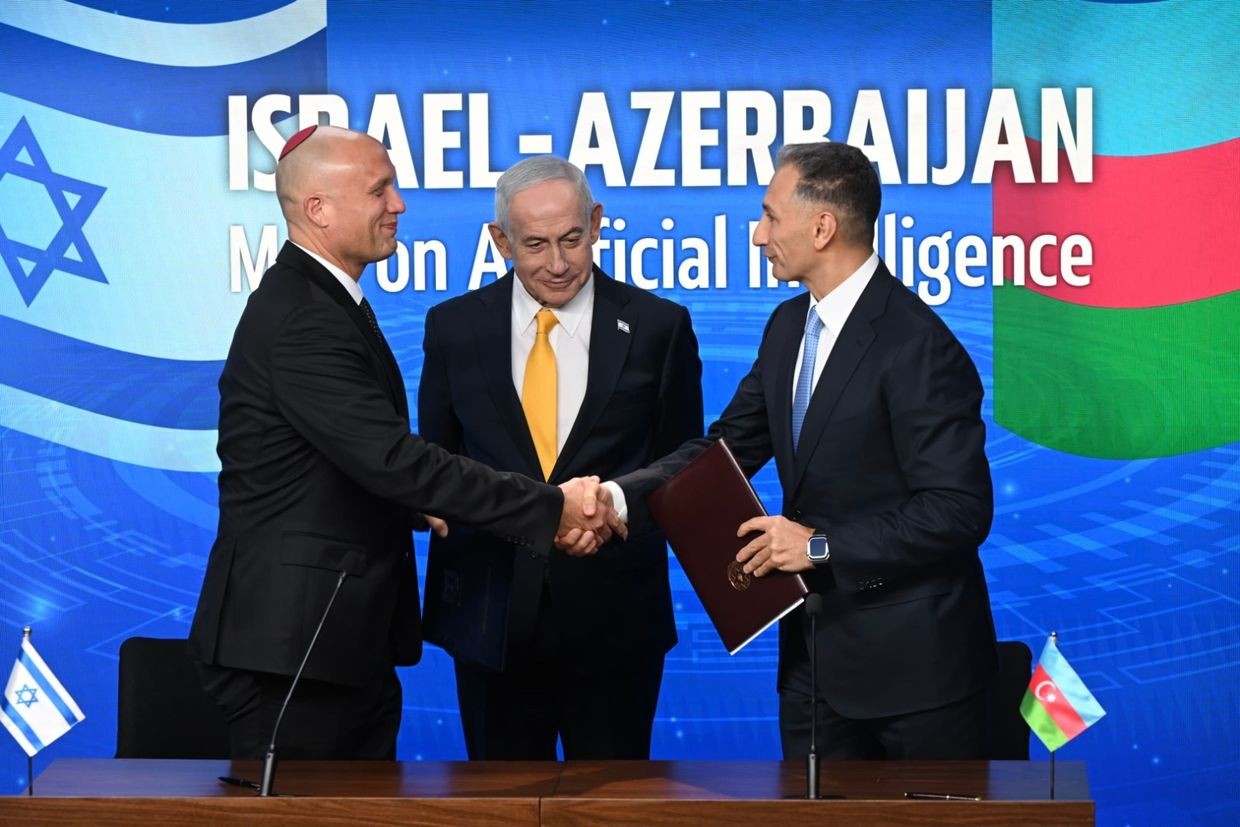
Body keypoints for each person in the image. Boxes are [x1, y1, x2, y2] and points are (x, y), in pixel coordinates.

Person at [187, 126, 616, 761]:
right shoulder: (305, 317)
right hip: (295, 654)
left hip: (331, 647)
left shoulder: (323, 301)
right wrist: (550, 509)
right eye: (379, 189)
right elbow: (393, 460)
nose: (399, 204)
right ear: (318, 210)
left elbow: (343, 462)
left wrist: (416, 507)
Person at [613, 141, 997, 760]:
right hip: (813, 669)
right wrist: (615, 498)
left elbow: (959, 510)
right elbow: (725, 449)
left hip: (916, 679)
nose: (759, 234)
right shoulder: (789, 326)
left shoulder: (917, 344)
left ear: (822, 227)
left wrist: (817, 546)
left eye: (769, 215)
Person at [418, 156, 703, 760]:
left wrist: (610, 517)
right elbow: (439, 466)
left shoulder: (660, 326)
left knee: (614, 812)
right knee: (498, 810)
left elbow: (685, 467)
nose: (557, 263)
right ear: (500, 241)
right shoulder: (452, 329)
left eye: (572, 239)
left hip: (616, 621)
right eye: (536, 244)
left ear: (597, 223)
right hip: (489, 618)